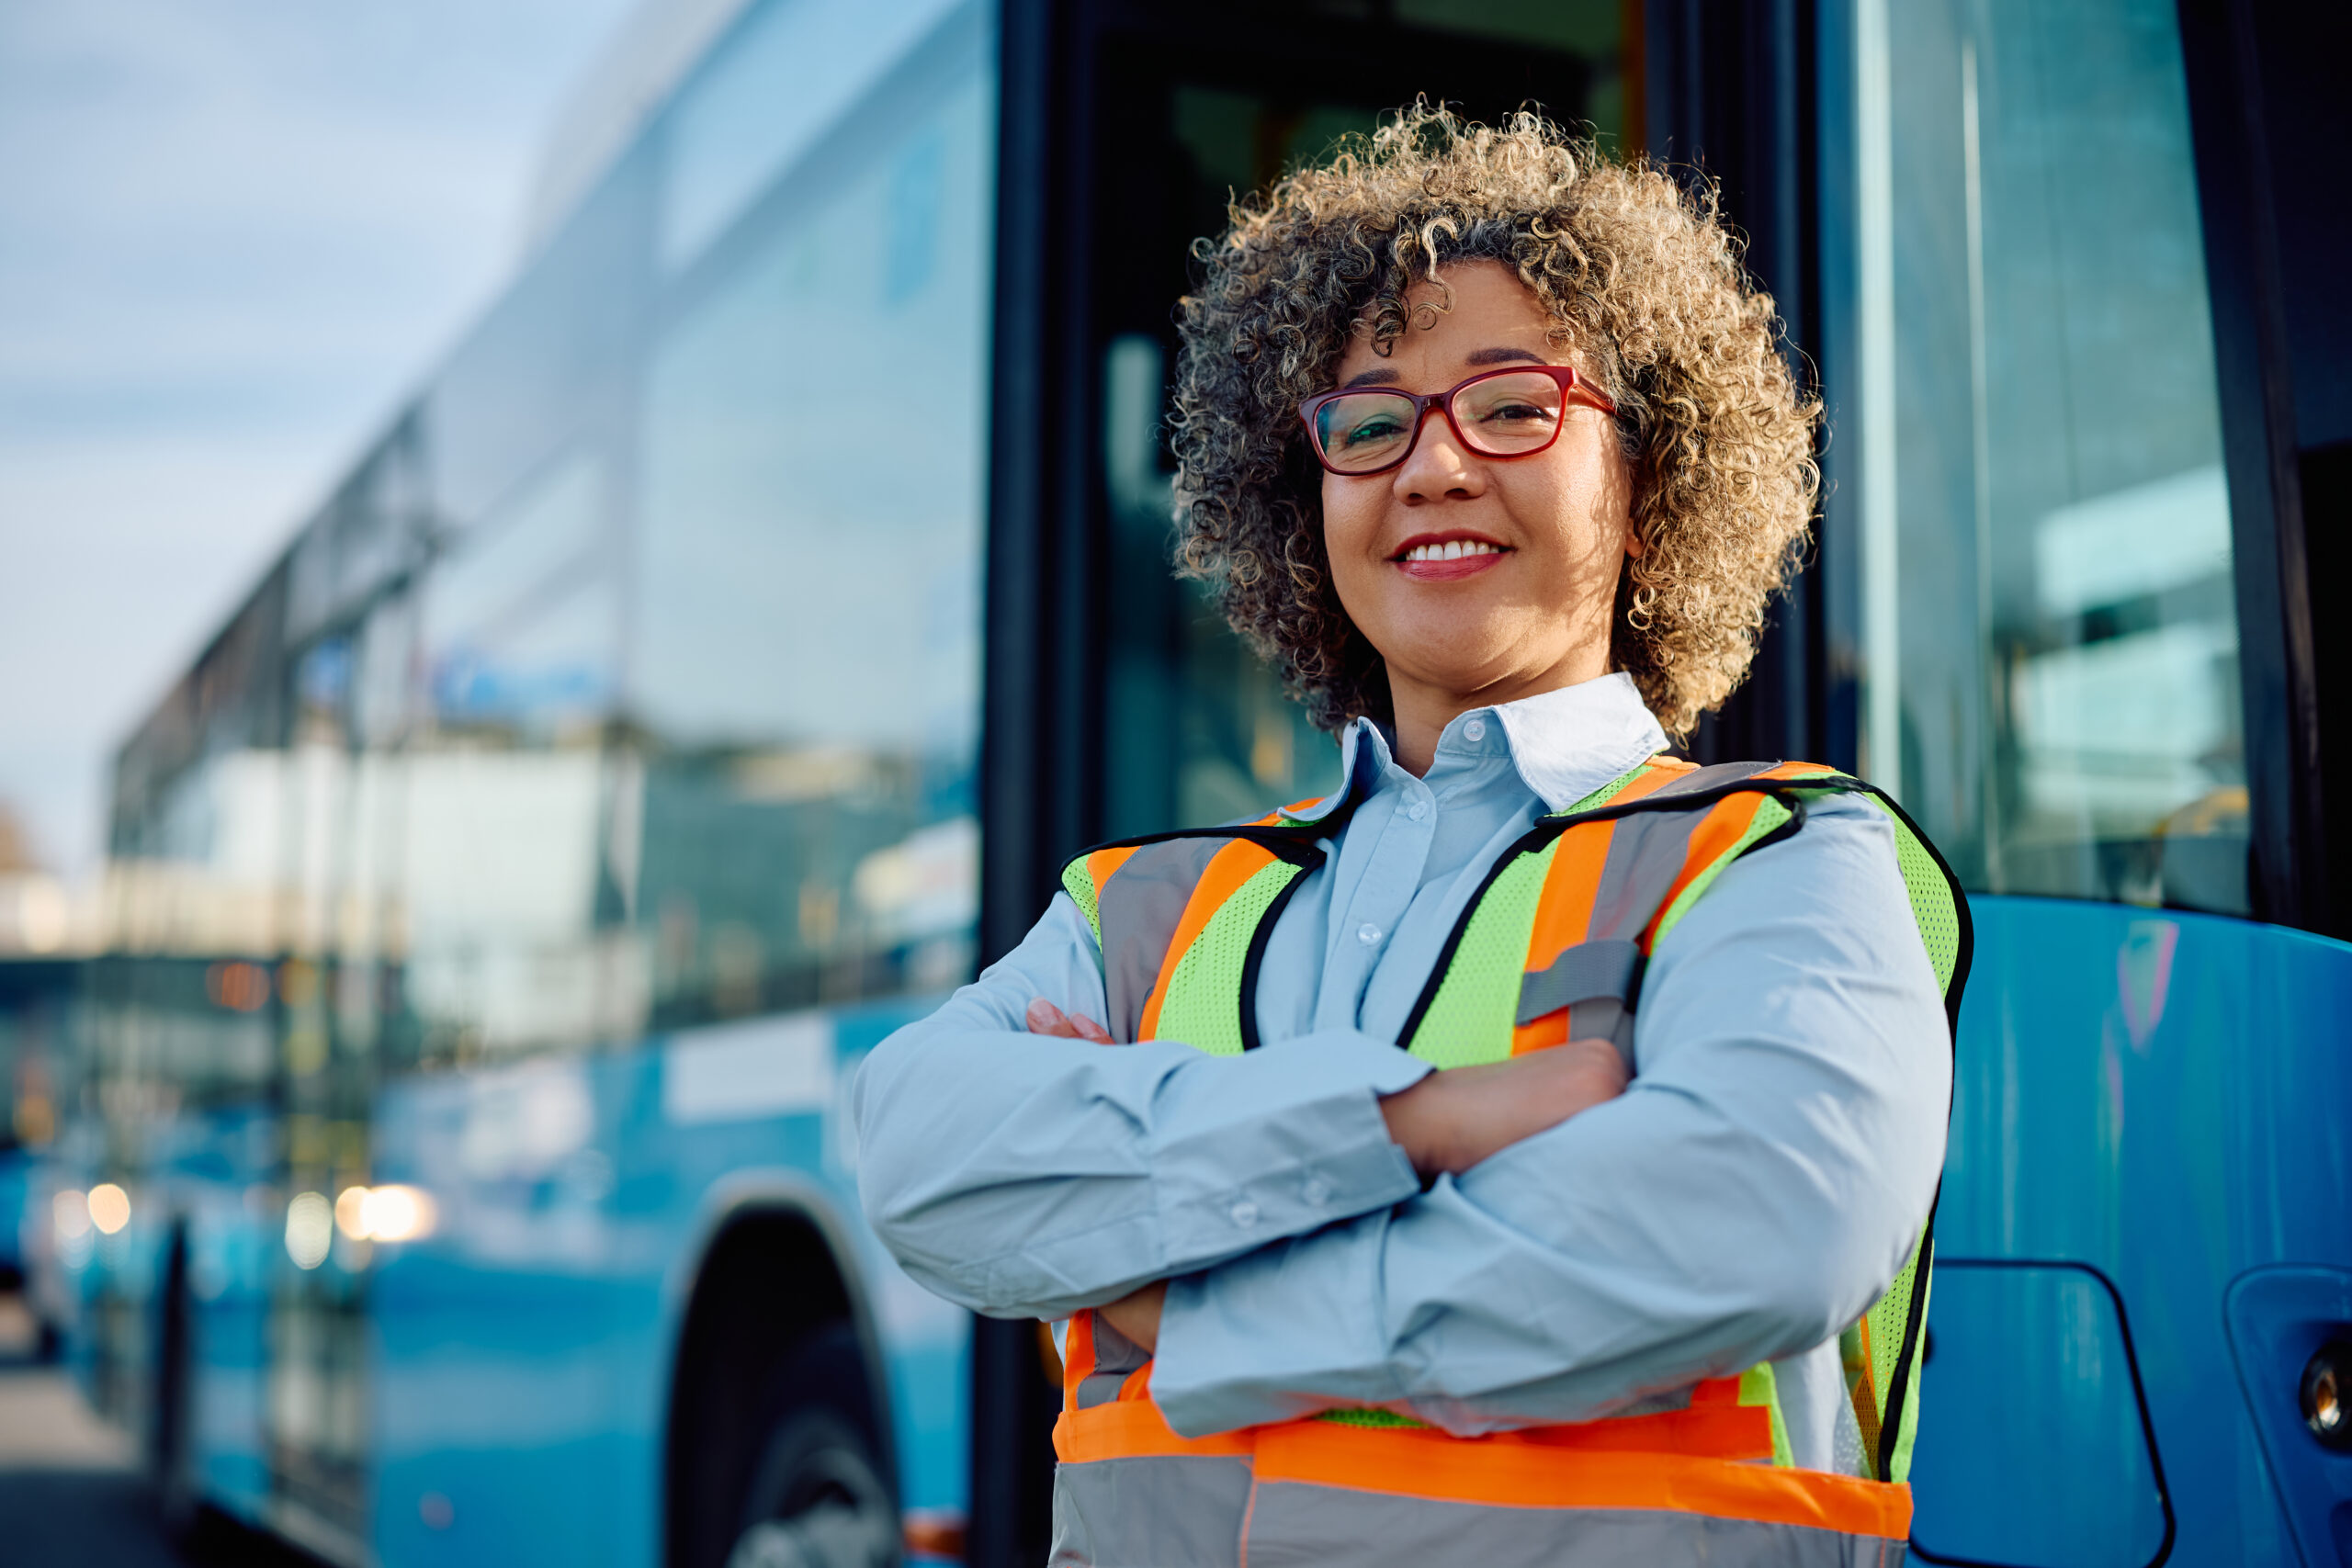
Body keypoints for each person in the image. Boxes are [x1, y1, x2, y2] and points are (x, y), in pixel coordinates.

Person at [854, 106, 1961, 1567]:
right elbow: (922, 1160)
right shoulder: (1152, 905)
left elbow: (1764, 1221)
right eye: (1371, 424)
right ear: (1302, 500)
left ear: (1649, 485)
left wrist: (1197, 1309)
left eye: (1512, 406)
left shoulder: (1783, 858)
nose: (1432, 468)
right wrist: (1415, 1122)